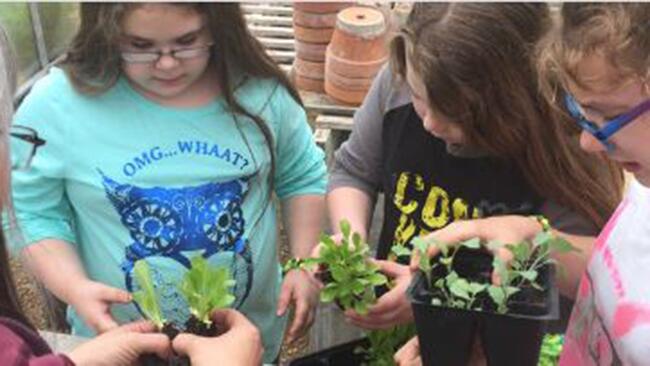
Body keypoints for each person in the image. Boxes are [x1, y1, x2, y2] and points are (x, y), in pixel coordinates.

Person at [8, 3, 326, 363]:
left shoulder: (259, 92)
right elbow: (29, 209)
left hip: (244, 345)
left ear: (217, 26)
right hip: (117, 345)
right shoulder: (58, 105)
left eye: (187, 41)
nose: (167, 63)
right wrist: (75, 288)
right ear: (105, 34)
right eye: (140, 46)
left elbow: (301, 176)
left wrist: (302, 263)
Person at [327, 2, 623, 334]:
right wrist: (348, 238)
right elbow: (353, 171)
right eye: (419, 96)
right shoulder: (402, 79)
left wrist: (435, 297)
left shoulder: (564, 144)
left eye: (455, 113)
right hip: (401, 334)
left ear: (512, 98)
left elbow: (579, 279)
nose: (429, 123)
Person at [536, 3, 650, 365]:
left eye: (611, 116)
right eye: (583, 114)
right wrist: (531, 241)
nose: (588, 143)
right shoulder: (641, 186)